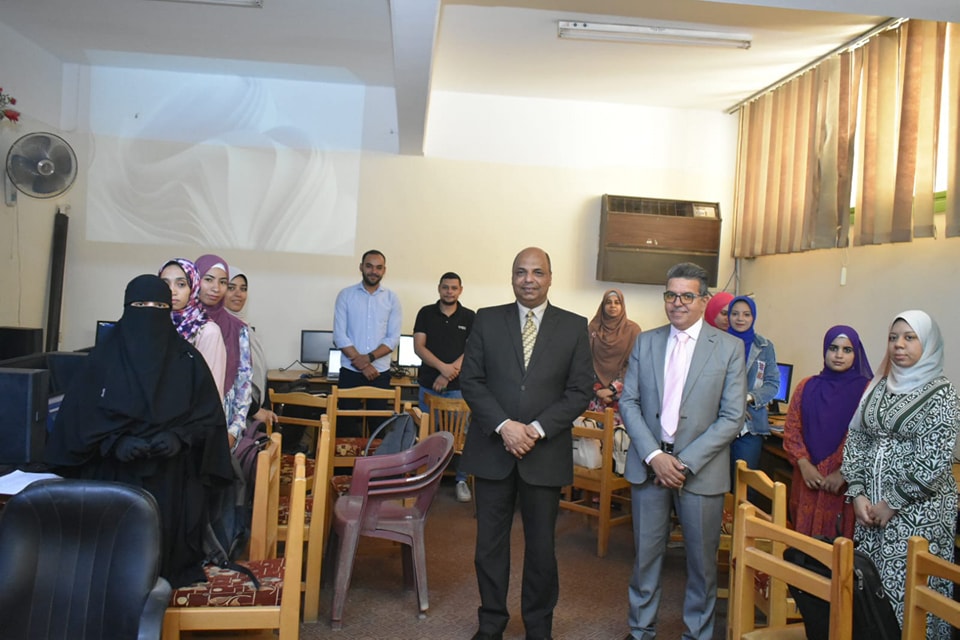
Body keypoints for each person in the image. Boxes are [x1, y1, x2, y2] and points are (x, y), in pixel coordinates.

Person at [44, 274, 235, 588]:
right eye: (141, 305)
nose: (150, 314)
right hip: (112, 479)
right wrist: (112, 443)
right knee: (111, 570)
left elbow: (209, 421)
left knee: (163, 563)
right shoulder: (100, 361)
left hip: (172, 481)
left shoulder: (188, 361)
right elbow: (76, 424)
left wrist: (179, 438)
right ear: (126, 309)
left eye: (159, 307)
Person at [459, 247, 594, 640]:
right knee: (489, 546)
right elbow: (471, 381)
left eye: (537, 272)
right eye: (521, 272)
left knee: (541, 549)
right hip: (492, 450)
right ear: (512, 277)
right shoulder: (486, 319)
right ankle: (491, 624)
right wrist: (504, 426)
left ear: (550, 277)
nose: (529, 279)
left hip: (544, 453)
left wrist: (534, 429)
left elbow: (579, 390)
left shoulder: (573, 326)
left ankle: (538, 627)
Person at [619, 262, 746, 640]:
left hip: (700, 471)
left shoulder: (729, 348)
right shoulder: (646, 342)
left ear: (703, 300)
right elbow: (629, 402)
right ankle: (640, 630)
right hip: (649, 466)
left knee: (702, 564)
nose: (677, 303)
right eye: (671, 295)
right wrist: (655, 456)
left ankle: (697, 633)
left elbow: (732, 417)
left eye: (687, 296)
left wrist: (684, 463)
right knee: (645, 557)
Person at [842, 310, 959, 637]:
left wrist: (892, 502)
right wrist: (858, 492)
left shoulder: (942, 394)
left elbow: (934, 460)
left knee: (908, 594)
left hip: (917, 515)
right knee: (870, 589)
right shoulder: (879, 386)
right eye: (893, 338)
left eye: (909, 338)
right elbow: (857, 437)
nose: (898, 345)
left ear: (929, 343)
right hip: (870, 512)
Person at [782, 325, 872, 538]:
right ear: (825, 350)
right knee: (803, 544)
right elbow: (792, 428)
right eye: (833, 348)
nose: (839, 355)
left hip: (843, 484)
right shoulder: (806, 386)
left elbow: (867, 436)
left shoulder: (868, 391)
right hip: (807, 479)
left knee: (838, 545)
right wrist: (804, 464)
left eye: (847, 350)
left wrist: (844, 472)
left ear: (856, 354)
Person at [413, 271, 476, 502]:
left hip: (458, 388)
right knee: (428, 436)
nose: (449, 291)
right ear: (439, 288)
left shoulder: (470, 317)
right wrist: (443, 369)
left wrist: (449, 375)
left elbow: (472, 349)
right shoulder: (425, 313)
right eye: (445, 287)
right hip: (428, 386)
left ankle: (461, 480)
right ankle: (427, 481)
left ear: (460, 290)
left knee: (460, 436)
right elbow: (419, 347)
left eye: (454, 288)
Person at [332, 249, 402, 435]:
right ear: (361, 267)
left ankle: (375, 456)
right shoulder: (346, 295)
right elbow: (340, 336)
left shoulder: (392, 299)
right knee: (346, 423)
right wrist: (362, 364)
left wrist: (368, 359)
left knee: (378, 425)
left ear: (384, 270)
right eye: (369, 266)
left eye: (378, 267)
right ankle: (347, 456)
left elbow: (393, 338)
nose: (374, 271)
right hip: (350, 371)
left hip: (380, 372)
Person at [195, 253, 254, 448]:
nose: (216, 288)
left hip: (223, 423)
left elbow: (243, 384)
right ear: (195, 280)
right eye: (208, 279)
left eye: (222, 282)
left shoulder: (237, 328)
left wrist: (234, 431)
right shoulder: (181, 324)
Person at [726, 295, 779, 486]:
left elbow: (772, 384)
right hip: (718, 422)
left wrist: (747, 398)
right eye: (735, 314)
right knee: (717, 484)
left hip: (750, 426)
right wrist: (732, 404)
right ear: (729, 316)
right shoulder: (717, 342)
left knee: (745, 486)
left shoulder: (764, 346)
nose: (740, 319)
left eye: (746, 314)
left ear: (753, 317)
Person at [158, 257, 227, 399]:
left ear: (194, 287)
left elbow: (211, 391)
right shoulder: (154, 324)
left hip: (190, 411)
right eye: (165, 284)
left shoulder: (207, 331)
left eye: (181, 284)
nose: (172, 291)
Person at [225, 266, 278, 429]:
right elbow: (231, 379)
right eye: (231, 288)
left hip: (251, 410)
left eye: (243, 289)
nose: (238, 294)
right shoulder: (222, 327)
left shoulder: (244, 327)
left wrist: (263, 407)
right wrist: (255, 410)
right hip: (234, 415)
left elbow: (258, 371)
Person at [586, 289, 641, 424]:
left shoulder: (633, 330)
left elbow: (634, 364)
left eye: (617, 302)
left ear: (622, 306)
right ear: (602, 305)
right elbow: (585, 360)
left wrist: (612, 389)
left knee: (618, 434)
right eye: (608, 302)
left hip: (622, 395)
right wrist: (598, 390)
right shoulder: (593, 328)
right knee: (592, 433)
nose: (612, 306)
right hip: (594, 394)